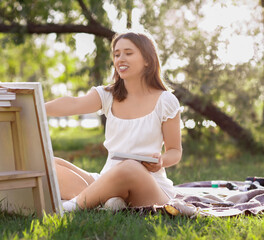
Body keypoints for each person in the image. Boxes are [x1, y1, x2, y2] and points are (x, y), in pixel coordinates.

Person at [45, 29, 183, 211]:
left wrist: (161, 161)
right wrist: (34, 105)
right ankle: (109, 200)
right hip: (105, 178)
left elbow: (175, 151)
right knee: (48, 163)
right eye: (117, 54)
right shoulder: (107, 95)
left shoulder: (165, 101)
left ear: (148, 60)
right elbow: (72, 104)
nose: (120, 59)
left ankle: (70, 207)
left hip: (149, 185)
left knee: (130, 168)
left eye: (128, 53)